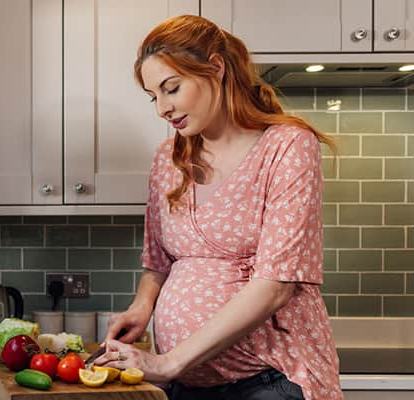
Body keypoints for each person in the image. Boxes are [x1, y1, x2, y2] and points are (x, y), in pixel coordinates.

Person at [93, 15, 342, 400]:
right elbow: (158, 261)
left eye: (171, 88)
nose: (162, 107)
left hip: (270, 380)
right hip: (189, 383)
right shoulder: (168, 158)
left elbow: (274, 287)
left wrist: (167, 363)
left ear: (216, 68)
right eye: (153, 96)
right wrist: (142, 307)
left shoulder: (288, 147)